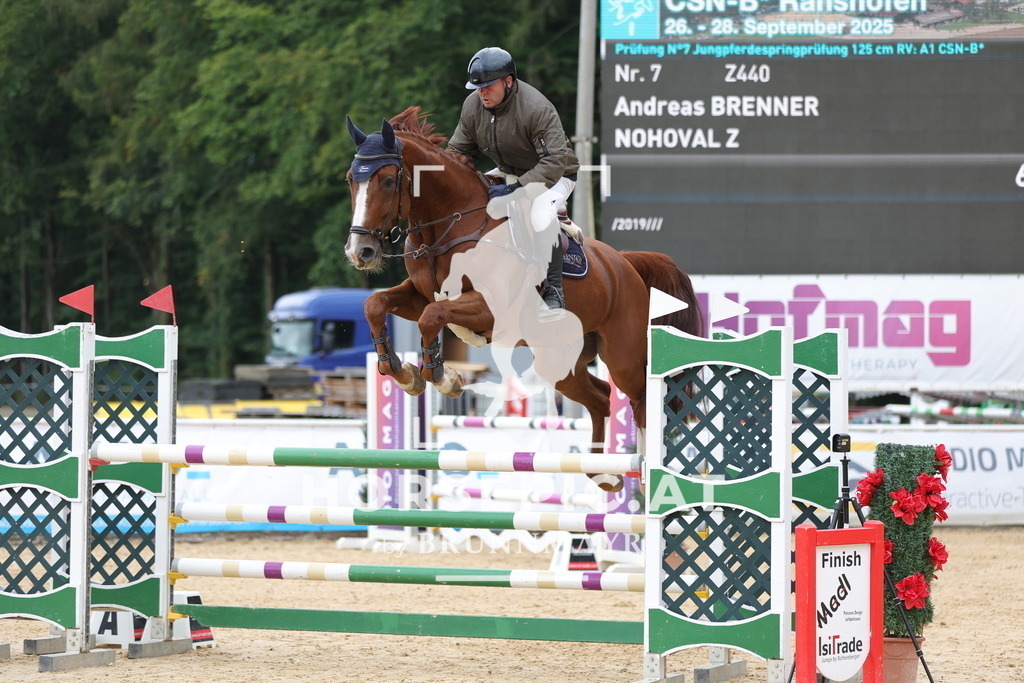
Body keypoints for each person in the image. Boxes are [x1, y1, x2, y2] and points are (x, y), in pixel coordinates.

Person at [447, 47, 580, 315]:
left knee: (541, 212)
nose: (481, 92)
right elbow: (457, 153)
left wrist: (517, 189)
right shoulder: (473, 106)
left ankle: (553, 291)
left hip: (554, 175)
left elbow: (553, 161)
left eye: (488, 86)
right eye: (477, 87)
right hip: (510, 171)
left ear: (509, 81)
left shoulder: (536, 108)